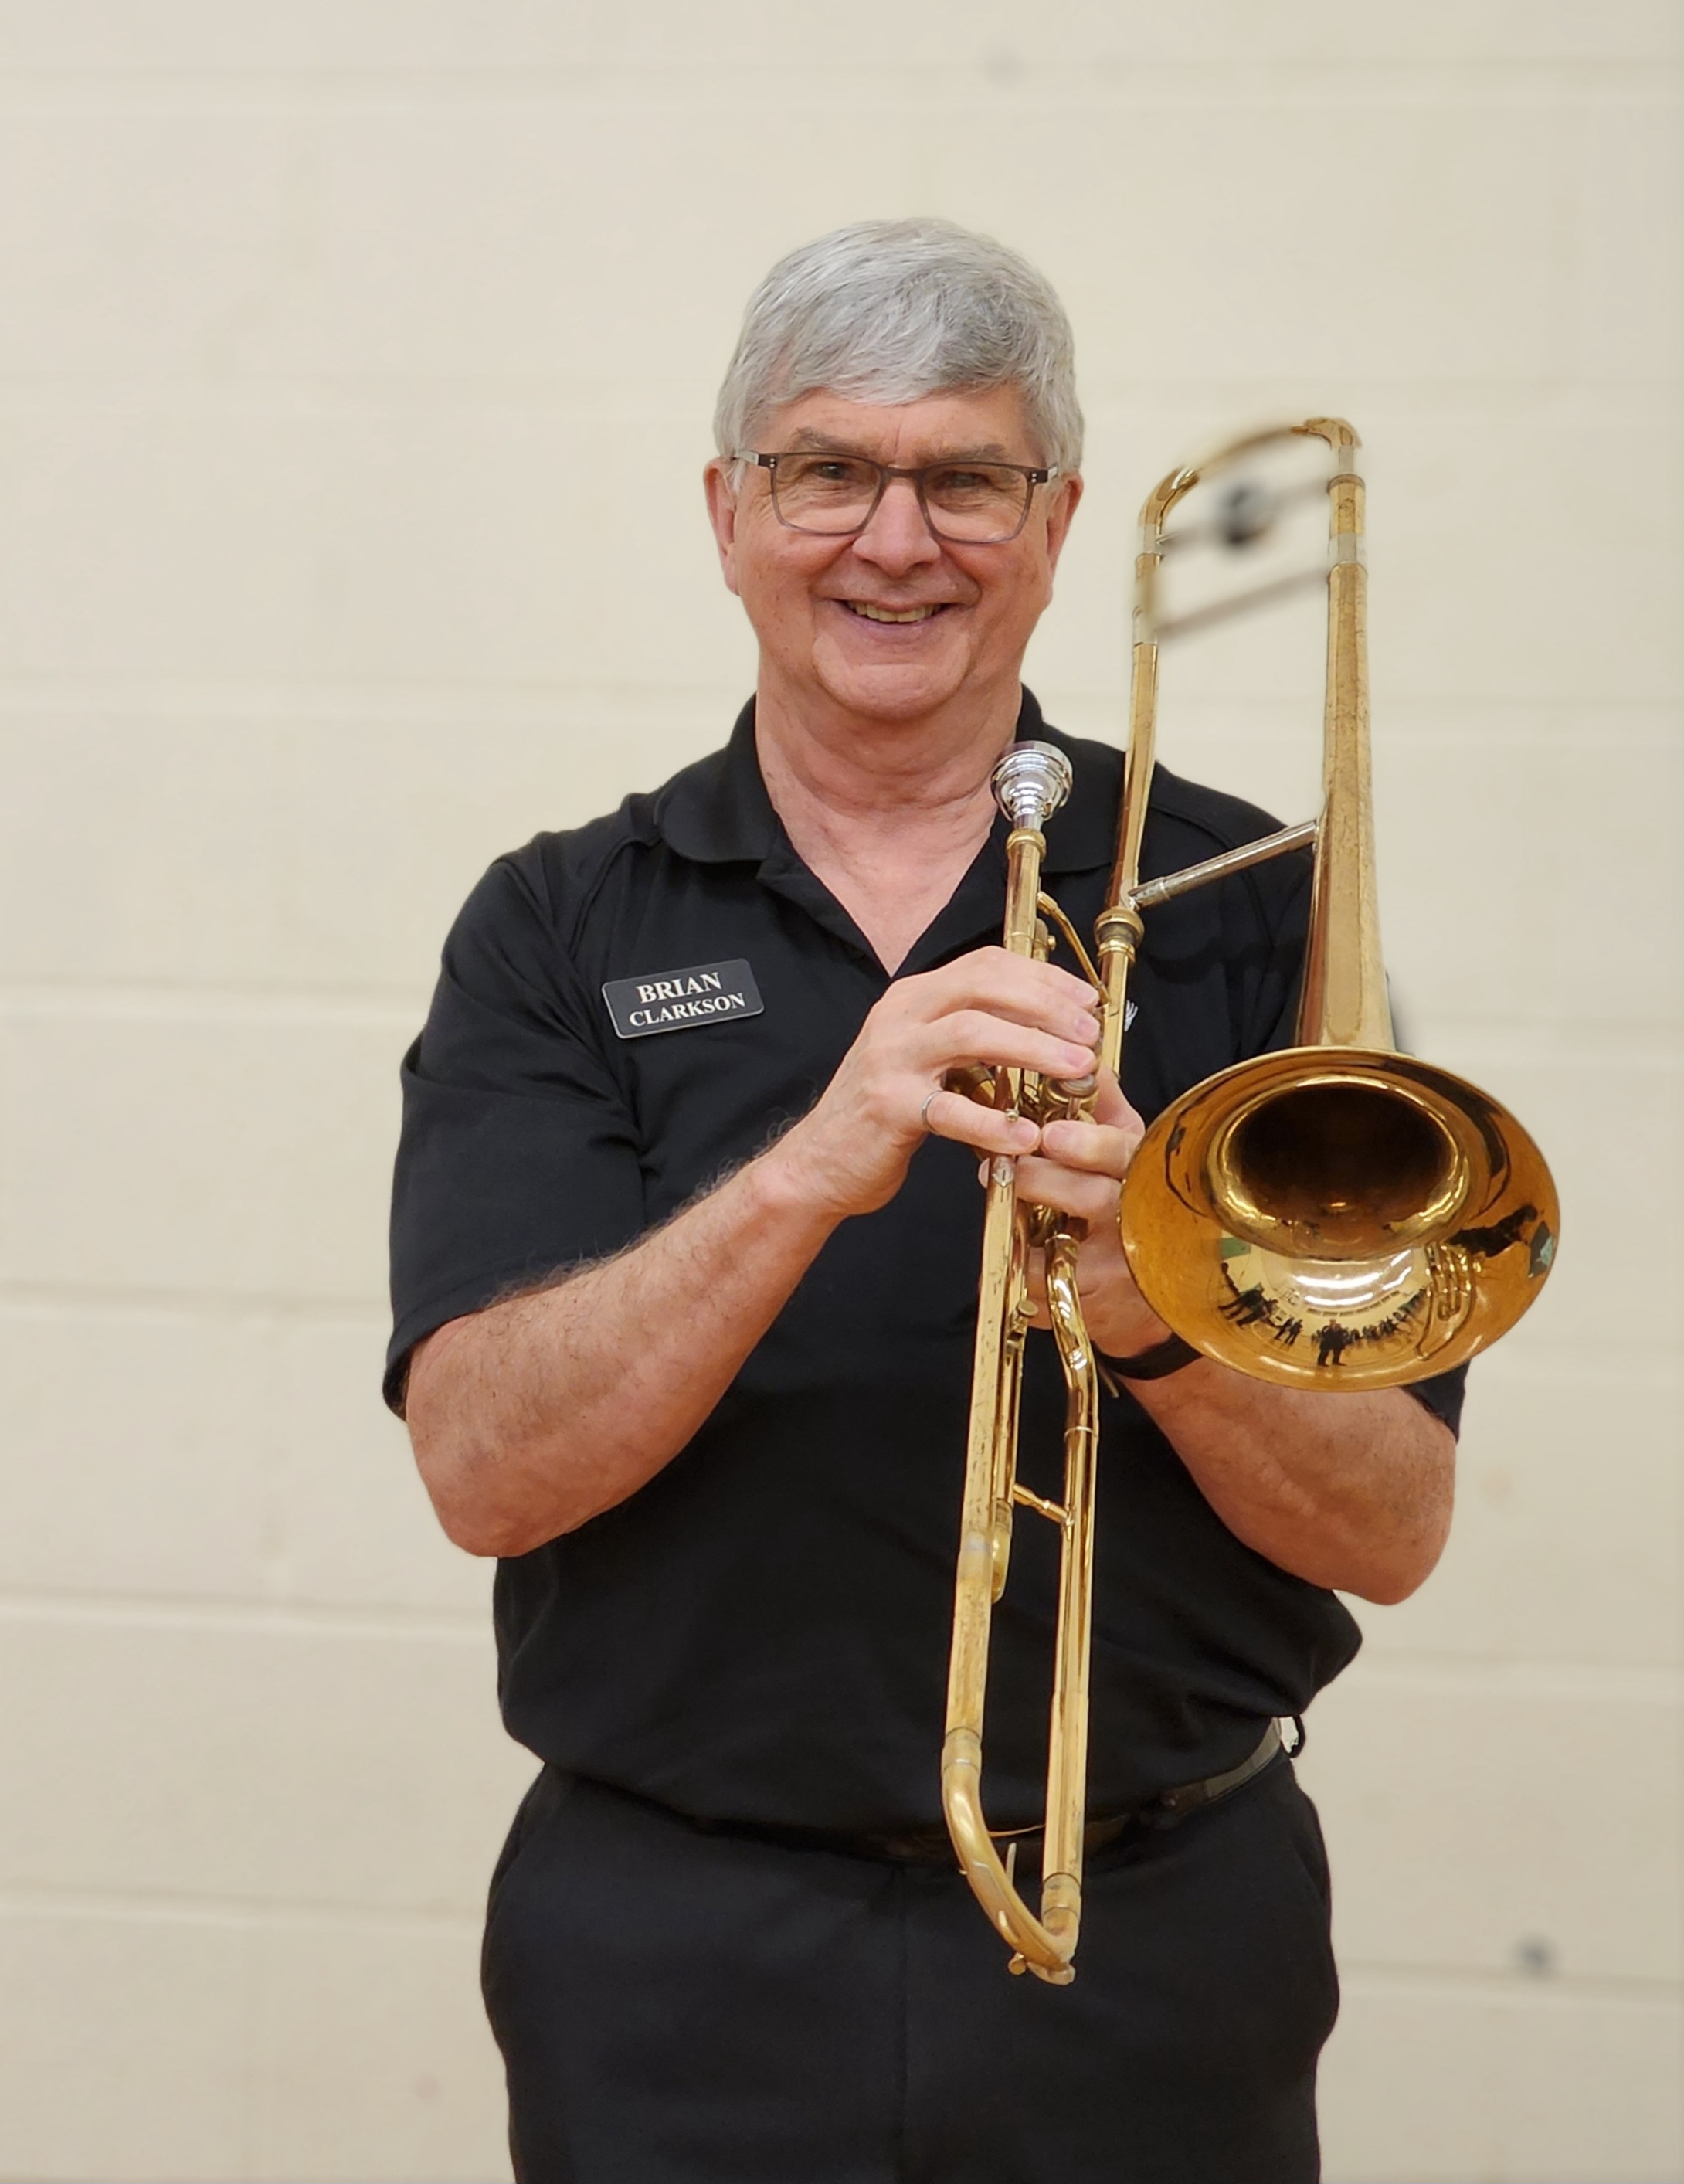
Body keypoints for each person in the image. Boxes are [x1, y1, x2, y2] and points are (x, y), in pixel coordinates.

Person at [386, 221, 1465, 2184]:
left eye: (965, 476)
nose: (898, 539)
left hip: (1158, 1938)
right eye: (827, 471)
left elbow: (1391, 1524)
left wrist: (1153, 1286)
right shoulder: (558, 923)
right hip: (670, 1945)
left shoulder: (1256, 907)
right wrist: (810, 1163)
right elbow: (484, 1469)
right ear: (729, 512)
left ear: (1054, 523)